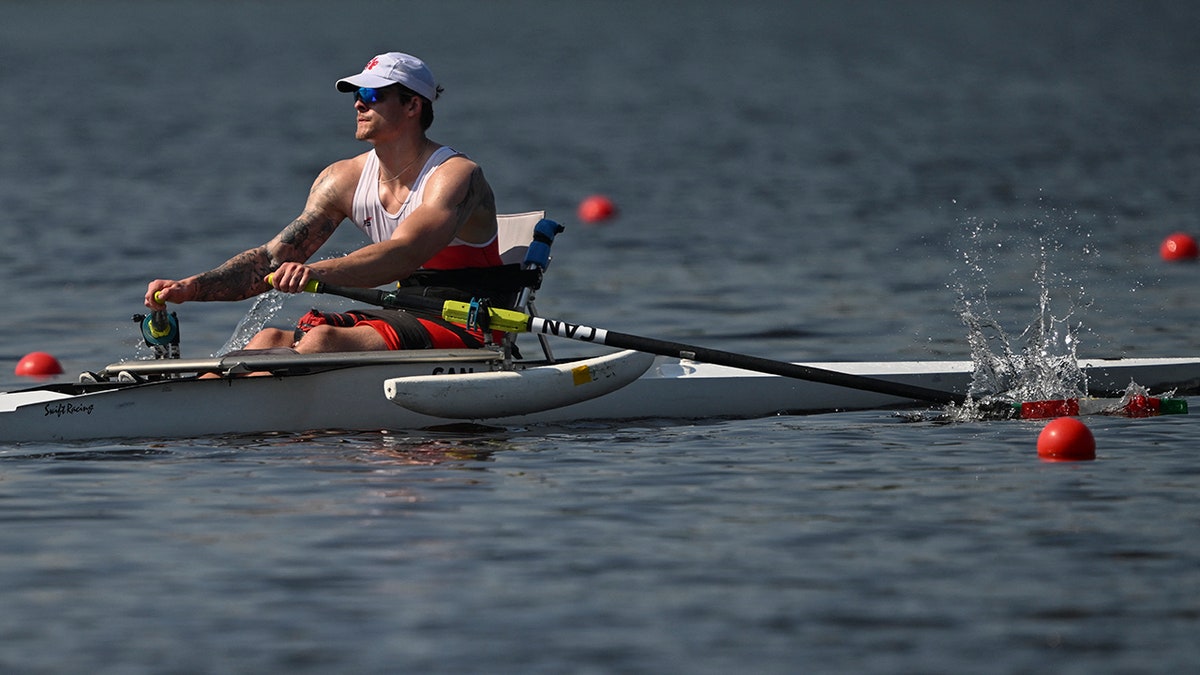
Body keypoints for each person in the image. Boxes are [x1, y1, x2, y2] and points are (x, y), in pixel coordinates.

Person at [145, 52, 512, 354]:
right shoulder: (342, 179)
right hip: (406, 311)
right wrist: (193, 287)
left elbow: (405, 253)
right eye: (356, 94)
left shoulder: (456, 175)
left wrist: (316, 273)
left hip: (470, 322)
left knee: (322, 339)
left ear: (413, 105)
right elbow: (271, 261)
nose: (357, 104)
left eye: (371, 96)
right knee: (268, 339)